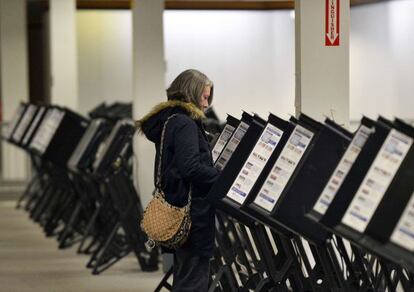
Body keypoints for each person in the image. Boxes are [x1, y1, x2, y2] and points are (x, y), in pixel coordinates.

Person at [136, 69, 220, 291]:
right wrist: (222, 177)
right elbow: (190, 168)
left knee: (185, 276)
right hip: (194, 216)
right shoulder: (184, 124)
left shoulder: (172, 119)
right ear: (191, 94)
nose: (206, 104)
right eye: (204, 97)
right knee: (193, 280)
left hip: (181, 209)